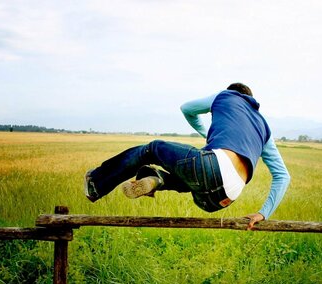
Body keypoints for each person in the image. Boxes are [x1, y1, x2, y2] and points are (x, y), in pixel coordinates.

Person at [84, 83, 290, 229]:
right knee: (193, 178)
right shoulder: (264, 128)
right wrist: (263, 213)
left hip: (213, 166)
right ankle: (159, 179)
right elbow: (283, 176)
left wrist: (209, 134)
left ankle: (96, 184)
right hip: (221, 200)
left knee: (152, 148)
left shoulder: (226, 96)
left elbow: (188, 109)